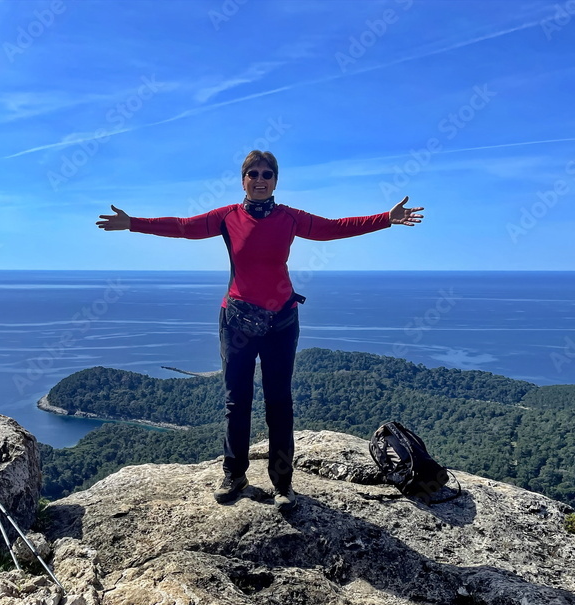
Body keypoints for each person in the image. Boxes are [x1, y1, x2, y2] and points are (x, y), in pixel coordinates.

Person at [96, 150, 423, 510]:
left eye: (267, 173)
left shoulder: (290, 218)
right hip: (236, 320)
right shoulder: (227, 217)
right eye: (253, 173)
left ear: (275, 181)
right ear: (243, 180)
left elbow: (333, 228)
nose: (260, 178)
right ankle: (234, 474)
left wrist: (385, 219)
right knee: (237, 403)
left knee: (279, 404)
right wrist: (133, 223)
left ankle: (282, 484)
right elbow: (185, 227)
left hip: (281, 321)